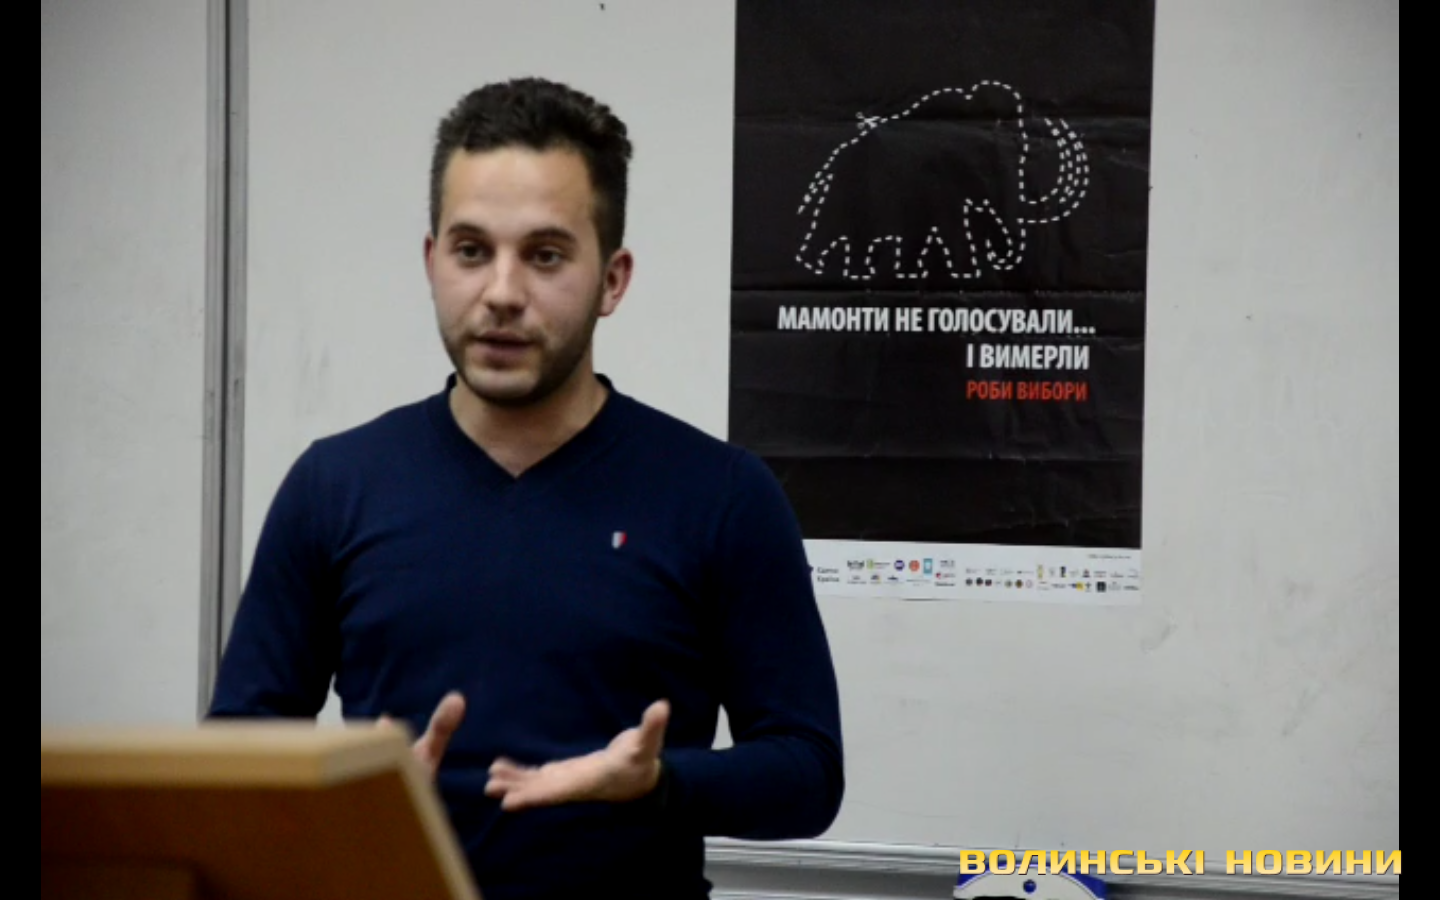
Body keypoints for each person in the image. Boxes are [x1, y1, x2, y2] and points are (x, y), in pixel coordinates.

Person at [208, 77, 845, 899]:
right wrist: (346, 801)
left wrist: (658, 782)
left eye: (545, 255)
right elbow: (238, 757)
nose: (502, 293)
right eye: (472, 251)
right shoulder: (333, 487)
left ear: (612, 279)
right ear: (432, 262)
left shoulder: (722, 495)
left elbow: (806, 772)